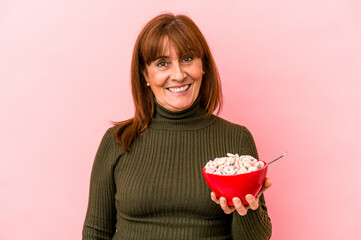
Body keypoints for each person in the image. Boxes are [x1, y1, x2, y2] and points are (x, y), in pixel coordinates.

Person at [82, 13, 272, 240]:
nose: (178, 74)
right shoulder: (118, 140)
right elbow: (96, 233)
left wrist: (248, 208)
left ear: (203, 66)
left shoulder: (235, 139)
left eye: (187, 59)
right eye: (162, 63)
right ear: (145, 74)